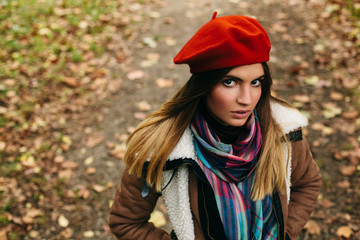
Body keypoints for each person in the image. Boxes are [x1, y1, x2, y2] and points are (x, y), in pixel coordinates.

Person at [109, 12, 321, 240]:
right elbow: (127, 222)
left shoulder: (282, 131)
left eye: (255, 82)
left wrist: (285, 233)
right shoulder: (163, 146)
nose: (246, 99)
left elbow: (307, 183)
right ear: (204, 86)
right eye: (230, 82)